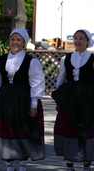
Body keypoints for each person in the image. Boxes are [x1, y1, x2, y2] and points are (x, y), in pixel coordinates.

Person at [0, 29, 46, 171]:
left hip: (23, 101)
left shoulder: (31, 62)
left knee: (22, 131)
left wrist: (33, 105)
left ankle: (22, 165)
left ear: (24, 42)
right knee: (6, 131)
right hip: (4, 101)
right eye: (13, 39)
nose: (15, 42)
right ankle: (9, 165)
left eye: (18, 40)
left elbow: (36, 83)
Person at [51, 29, 94, 171]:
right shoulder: (66, 59)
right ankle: (70, 163)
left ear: (87, 41)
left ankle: (86, 163)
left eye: (81, 38)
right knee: (68, 127)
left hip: (88, 99)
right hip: (69, 99)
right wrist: (59, 100)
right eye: (76, 38)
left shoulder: (93, 59)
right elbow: (61, 79)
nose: (78, 41)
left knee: (87, 128)